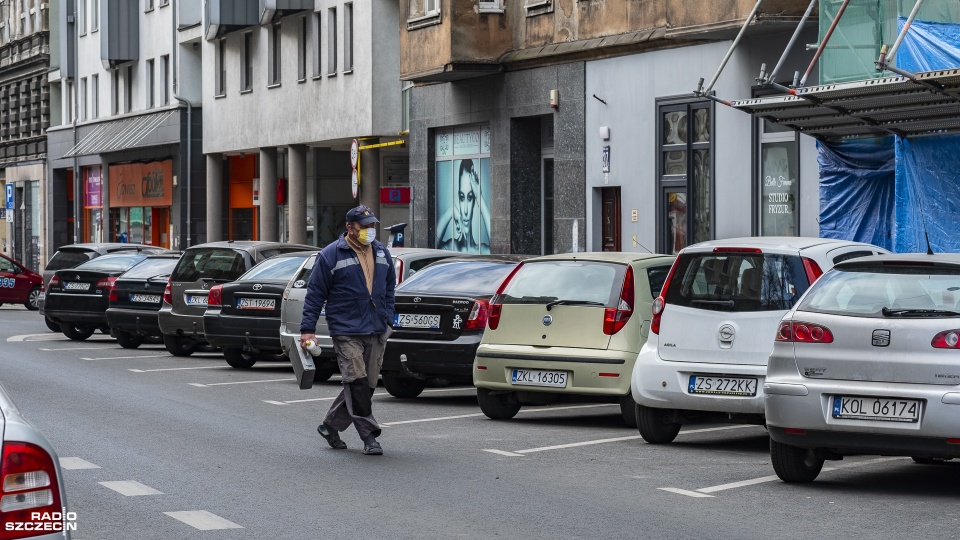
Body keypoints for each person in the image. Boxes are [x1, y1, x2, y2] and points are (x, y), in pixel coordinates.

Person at [300, 205, 396, 455]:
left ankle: (330, 426)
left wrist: (388, 319)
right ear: (350, 228)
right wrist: (307, 330)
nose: (370, 230)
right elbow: (315, 294)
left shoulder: (382, 252)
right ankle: (370, 436)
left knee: (369, 383)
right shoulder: (331, 254)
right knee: (357, 382)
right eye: (364, 226)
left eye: (372, 225)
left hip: (376, 328)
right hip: (346, 329)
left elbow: (389, 289)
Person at [436, 159, 490, 253]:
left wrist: (479, 197)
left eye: (469, 198)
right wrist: (451, 211)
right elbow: (431, 247)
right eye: (462, 198)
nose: (465, 210)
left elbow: (499, 248)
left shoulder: (482, 250)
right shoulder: (450, 247)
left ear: (474, 202)